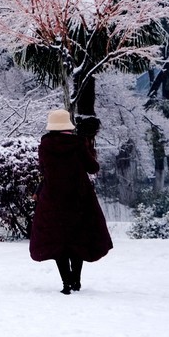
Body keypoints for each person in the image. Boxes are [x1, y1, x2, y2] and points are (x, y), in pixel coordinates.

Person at [29, 109, 113, 294]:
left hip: (52, 200)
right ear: (68, 125)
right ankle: (76, 281)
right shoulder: (78, 143)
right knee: (77, 239)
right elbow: (93, 168)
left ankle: (66, 283)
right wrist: (89, 149)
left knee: (59, 241)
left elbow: (43, 170)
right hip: (79, 199)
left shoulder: (45, 145)